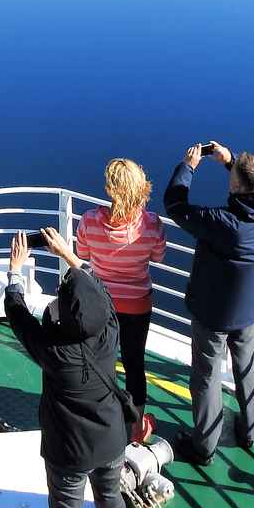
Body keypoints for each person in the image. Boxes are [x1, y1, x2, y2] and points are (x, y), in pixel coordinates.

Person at [5, 230, 136, 508]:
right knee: (111, 501)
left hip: (69, 451)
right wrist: (69, 256)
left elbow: (18, 316)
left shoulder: (52, 351)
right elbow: (100, 292)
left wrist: (15, 272)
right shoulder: (109, 329)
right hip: (110, 440)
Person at [164, 142, 254, 465]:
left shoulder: (223, 223)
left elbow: (175, 205)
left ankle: (204, 446)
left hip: (213, 314)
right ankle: (251, 431)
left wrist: (188, 167)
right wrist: (230, 162)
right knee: (246, 367)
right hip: (247, 312)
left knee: (207, 377)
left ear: (237, 187)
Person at [73, 158, 165, 413]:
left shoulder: (89, 220)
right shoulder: (153, 223)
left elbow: (82, 253)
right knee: (135, 363)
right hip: (138, 305)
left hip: (101, 302)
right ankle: (136, 424)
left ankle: (100, 416)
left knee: (101, 360)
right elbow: (158, 256)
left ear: (109, 190)